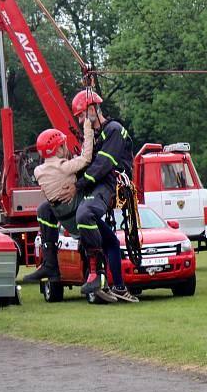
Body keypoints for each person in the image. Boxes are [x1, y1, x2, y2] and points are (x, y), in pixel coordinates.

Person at [71, 90, 135, 300]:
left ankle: (96, 273)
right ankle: (118, 286)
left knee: (85, 213)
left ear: (92, 111)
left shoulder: (114, 130)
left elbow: (103, 164)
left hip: (112, 181)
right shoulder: (97, 137)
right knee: (111, 242)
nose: (81, 121)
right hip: (99, 184)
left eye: (81, 116)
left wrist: (80, 184)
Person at [24, 118, 94, 284]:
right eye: (63, 145)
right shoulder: (64, 166)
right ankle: (89, 271)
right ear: (57, 148)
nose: (66, 148)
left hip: (60, 214)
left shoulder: (38, 171)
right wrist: (88, 130)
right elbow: (86, 158)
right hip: (75, 213)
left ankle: (50, 265)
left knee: (43, 210)